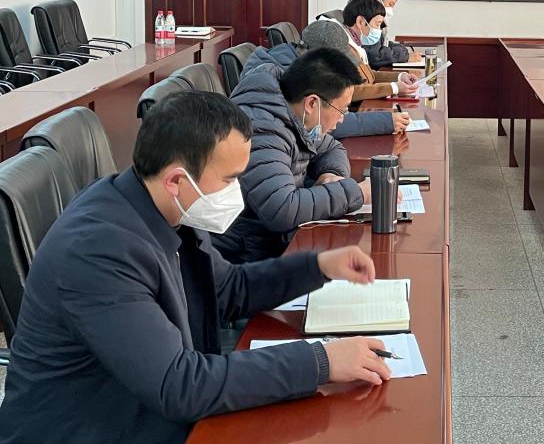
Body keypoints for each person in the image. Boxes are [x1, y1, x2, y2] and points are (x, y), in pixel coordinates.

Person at [0, 91, 391, 444]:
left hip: (145, 411)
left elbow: (228, 289)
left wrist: (318, 266)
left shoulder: (167, 206)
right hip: (93, 429)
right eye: (230, 179)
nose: (238, 192)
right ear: (176, 179)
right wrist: (320, 361)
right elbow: (179, 385)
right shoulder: (98, 251)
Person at [214, 47, 371, 263]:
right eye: (341, 110)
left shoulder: (292, 112)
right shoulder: (262, 129)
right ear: (312, 103)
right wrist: (356, 192)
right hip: (248, 257)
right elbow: (282, 209)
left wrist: (331, 174)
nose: (342, 118)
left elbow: (332, 148)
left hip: (278, 243)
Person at [241, 25, 411, 135]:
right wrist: (385, 122)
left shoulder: (294, 60)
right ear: (317, 56)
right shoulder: (286, 78)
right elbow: (324, 124)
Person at [323, 0, 419, 102]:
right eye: (377, 24)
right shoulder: (342, 47)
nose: (379, 30)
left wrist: (401, 77)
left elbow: (369, 76)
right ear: (360, 22)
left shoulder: (355, 44)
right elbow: (349, 90)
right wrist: (394, 88)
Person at [354, 0, 422, 69]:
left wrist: (403, 51)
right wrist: (405, 56)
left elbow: (384, 44)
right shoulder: (365, 20)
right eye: (390, 4)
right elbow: (375, 56)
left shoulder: (376, 21)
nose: (391, 10)